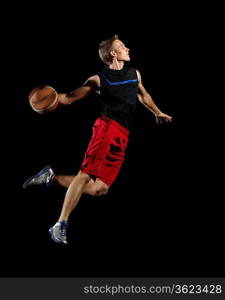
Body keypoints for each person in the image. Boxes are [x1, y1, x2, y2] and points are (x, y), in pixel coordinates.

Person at [23, 35, 173, 244]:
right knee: (84, 176)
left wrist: (157, 112)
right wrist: (52, 98)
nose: (127, 48)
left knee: (100, 188)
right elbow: (70, 97)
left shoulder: (134, 73)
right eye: (122, 46)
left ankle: (52, 177)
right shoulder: (99, 79)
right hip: (106, 129)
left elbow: (143, 95)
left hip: (123, 134)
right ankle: (60, 224)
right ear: (113, 53)